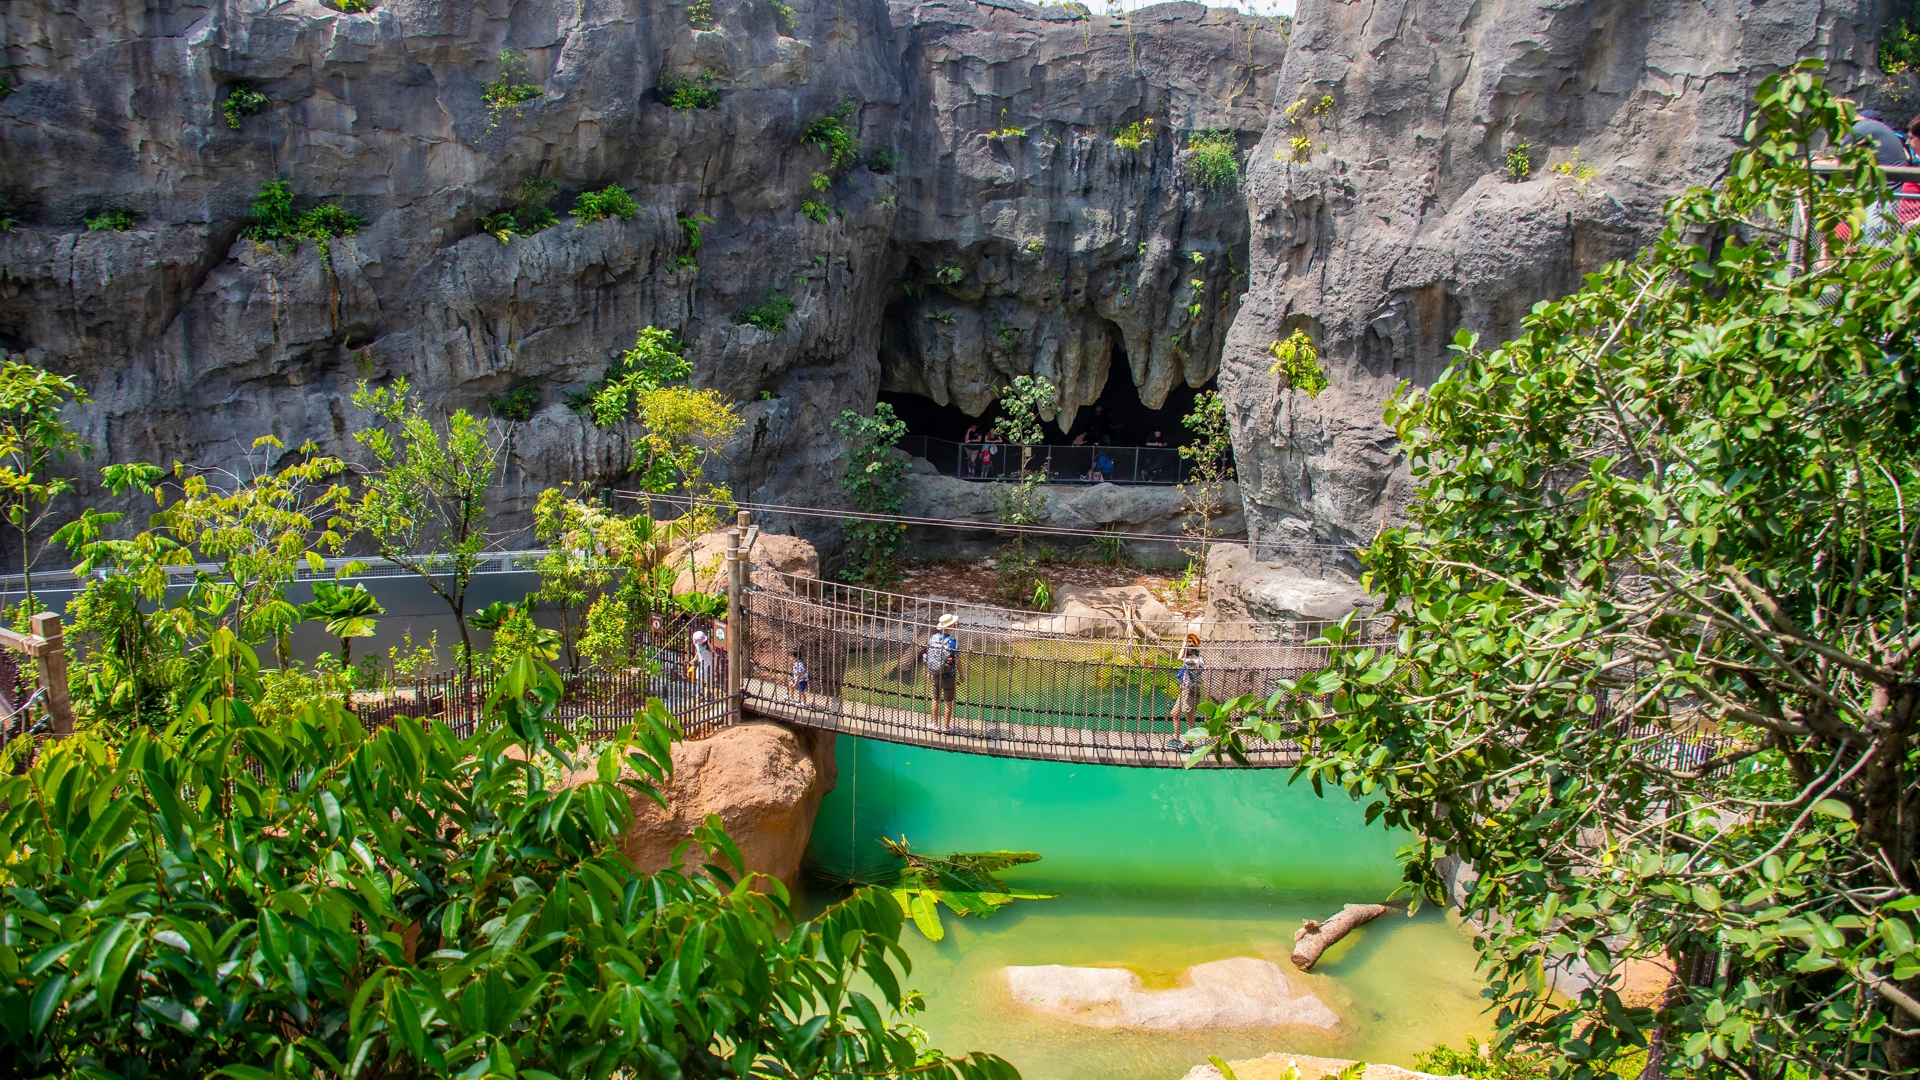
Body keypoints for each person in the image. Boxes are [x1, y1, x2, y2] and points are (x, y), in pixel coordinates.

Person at [924, 612, 962, 732]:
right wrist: (961, 674)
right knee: (948, 701)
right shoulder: (952, 641)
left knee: (935, 699)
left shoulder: (932, 638)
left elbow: (929, 655)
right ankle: (946, 727)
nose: (955, 624)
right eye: (953, 623)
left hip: (935, 672)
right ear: (950, 626)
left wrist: (929, 671)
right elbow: (957, 659)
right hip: (949, 674)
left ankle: (935, 725)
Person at [1167, 634, 1205, 748]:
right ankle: (1176, 738)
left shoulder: (1198, 662)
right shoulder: (1193, 661)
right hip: (1184, 691)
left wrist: (1184, 644)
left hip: (1191, 693)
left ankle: (1190, 743)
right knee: (1175, 713)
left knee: (1189, 718)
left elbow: (1179, 657)